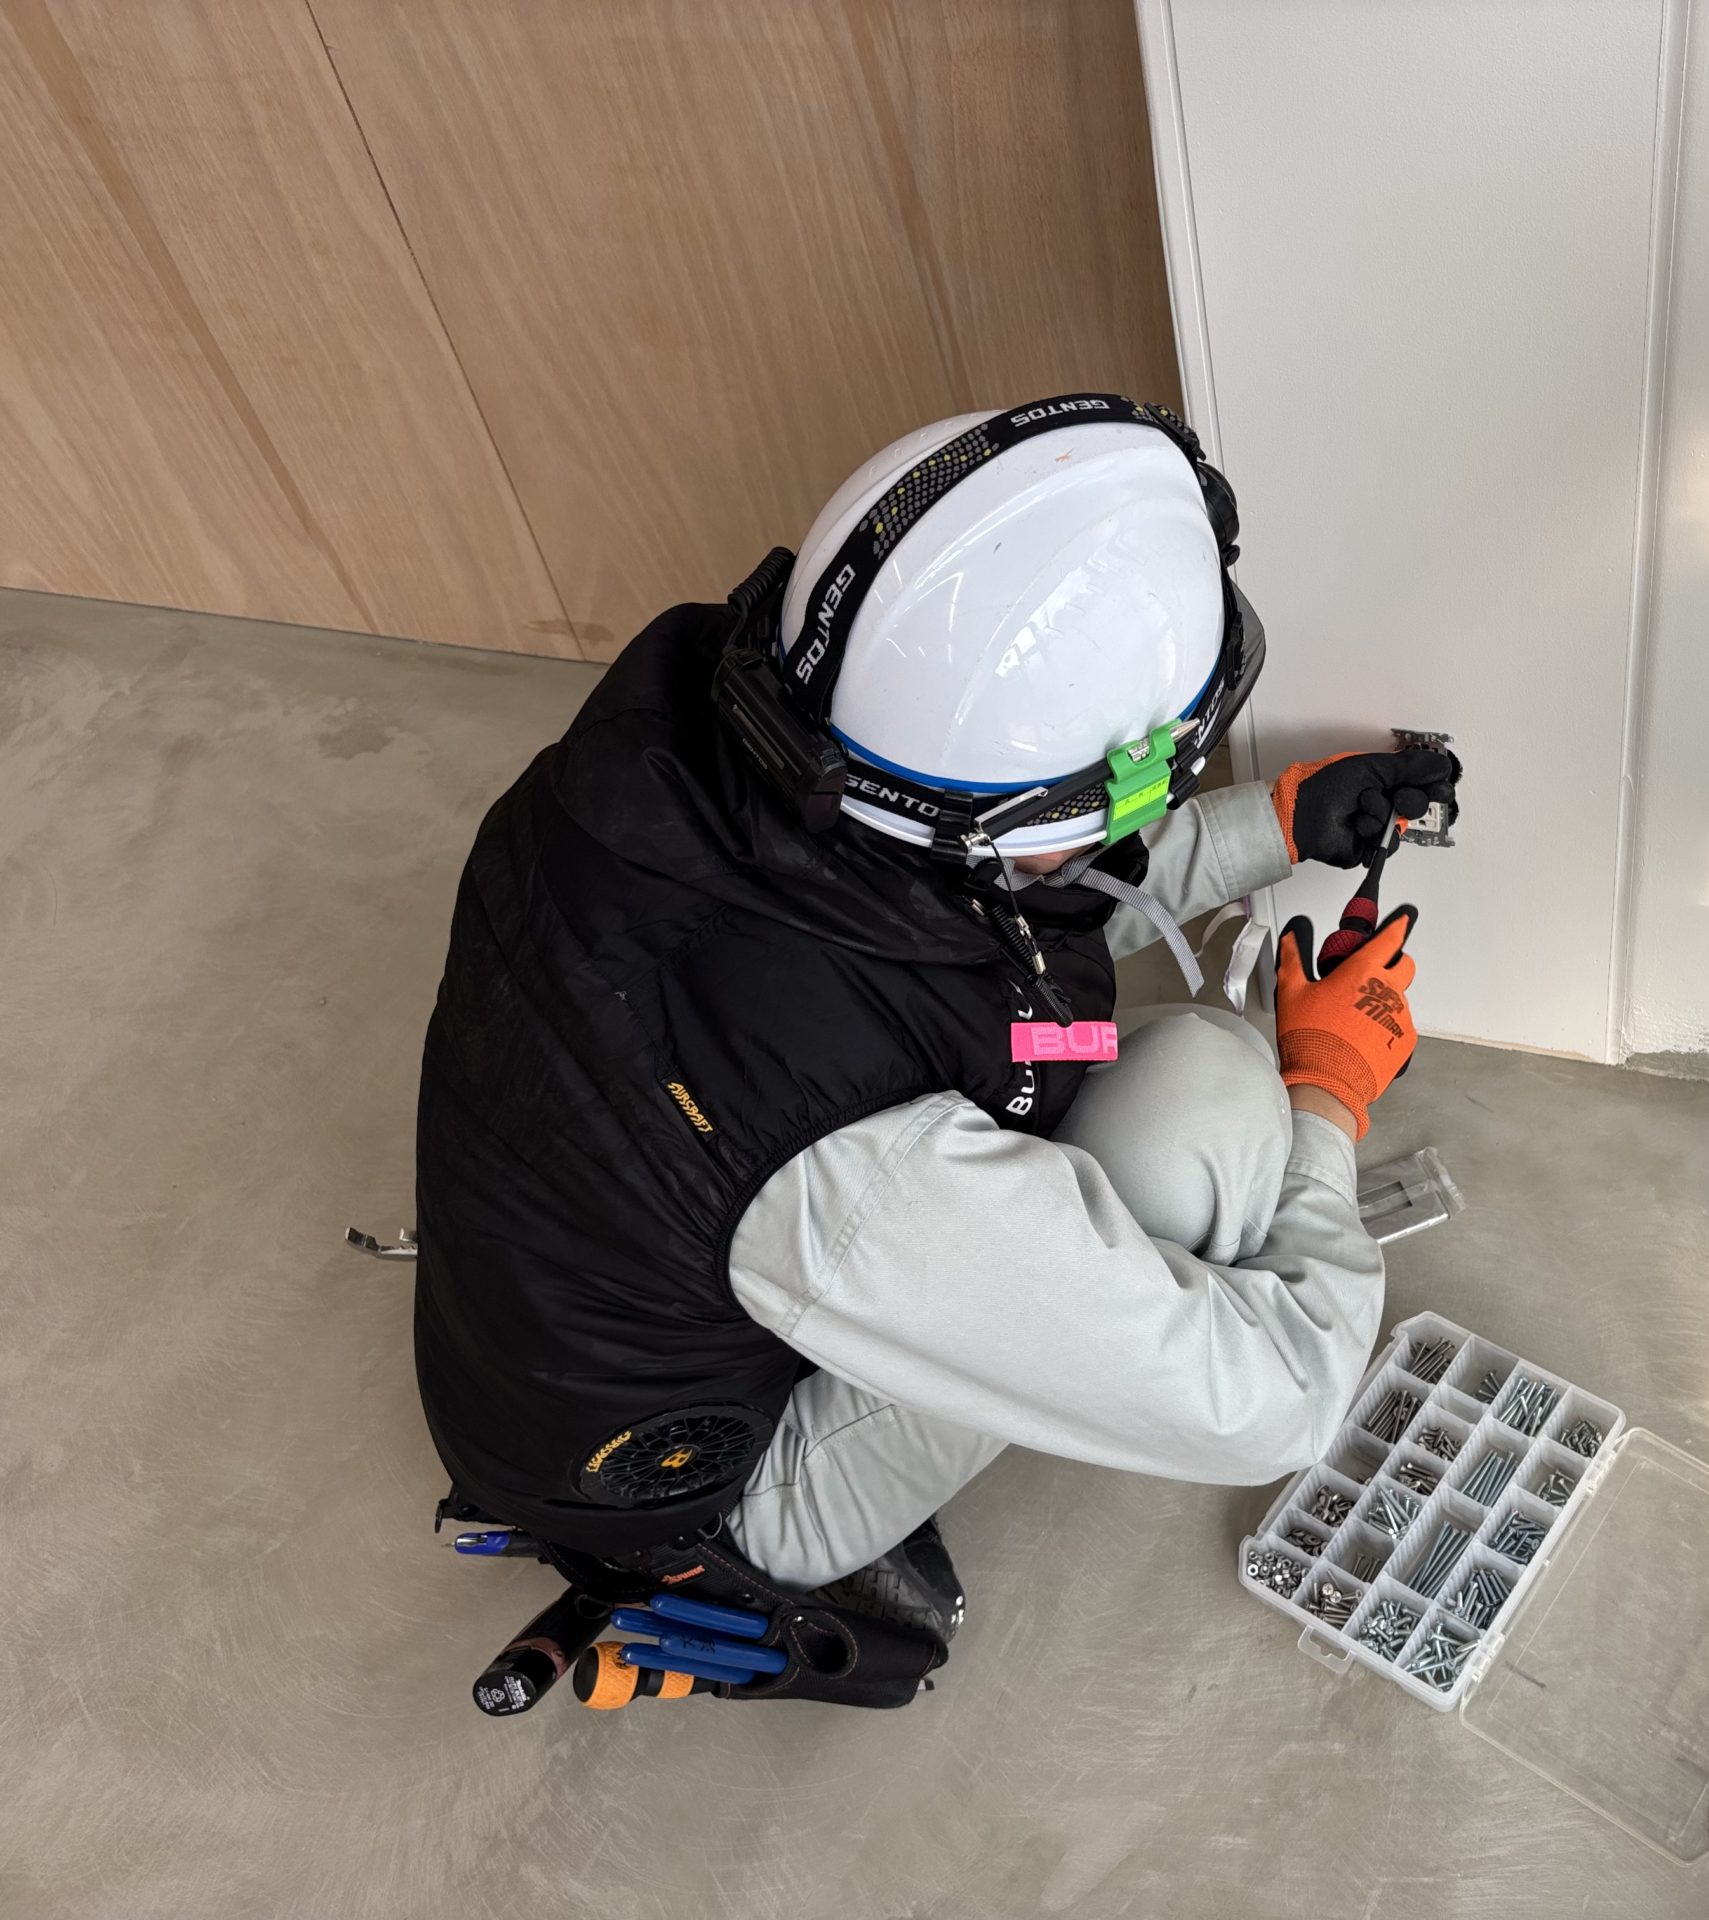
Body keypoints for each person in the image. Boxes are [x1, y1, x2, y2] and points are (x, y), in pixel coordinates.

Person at [411, 394, 1457, 1703]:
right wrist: (1330, 1097)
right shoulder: (848, 1160)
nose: (1167, 798)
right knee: (1212, 1108)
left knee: (1162, 1077)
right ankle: (755, 1561)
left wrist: (1275, 826)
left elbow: (979, 919)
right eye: (1159, 786)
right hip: (696, 1486)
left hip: (601, 1292)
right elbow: (1284, 1401)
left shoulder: (726, 739)